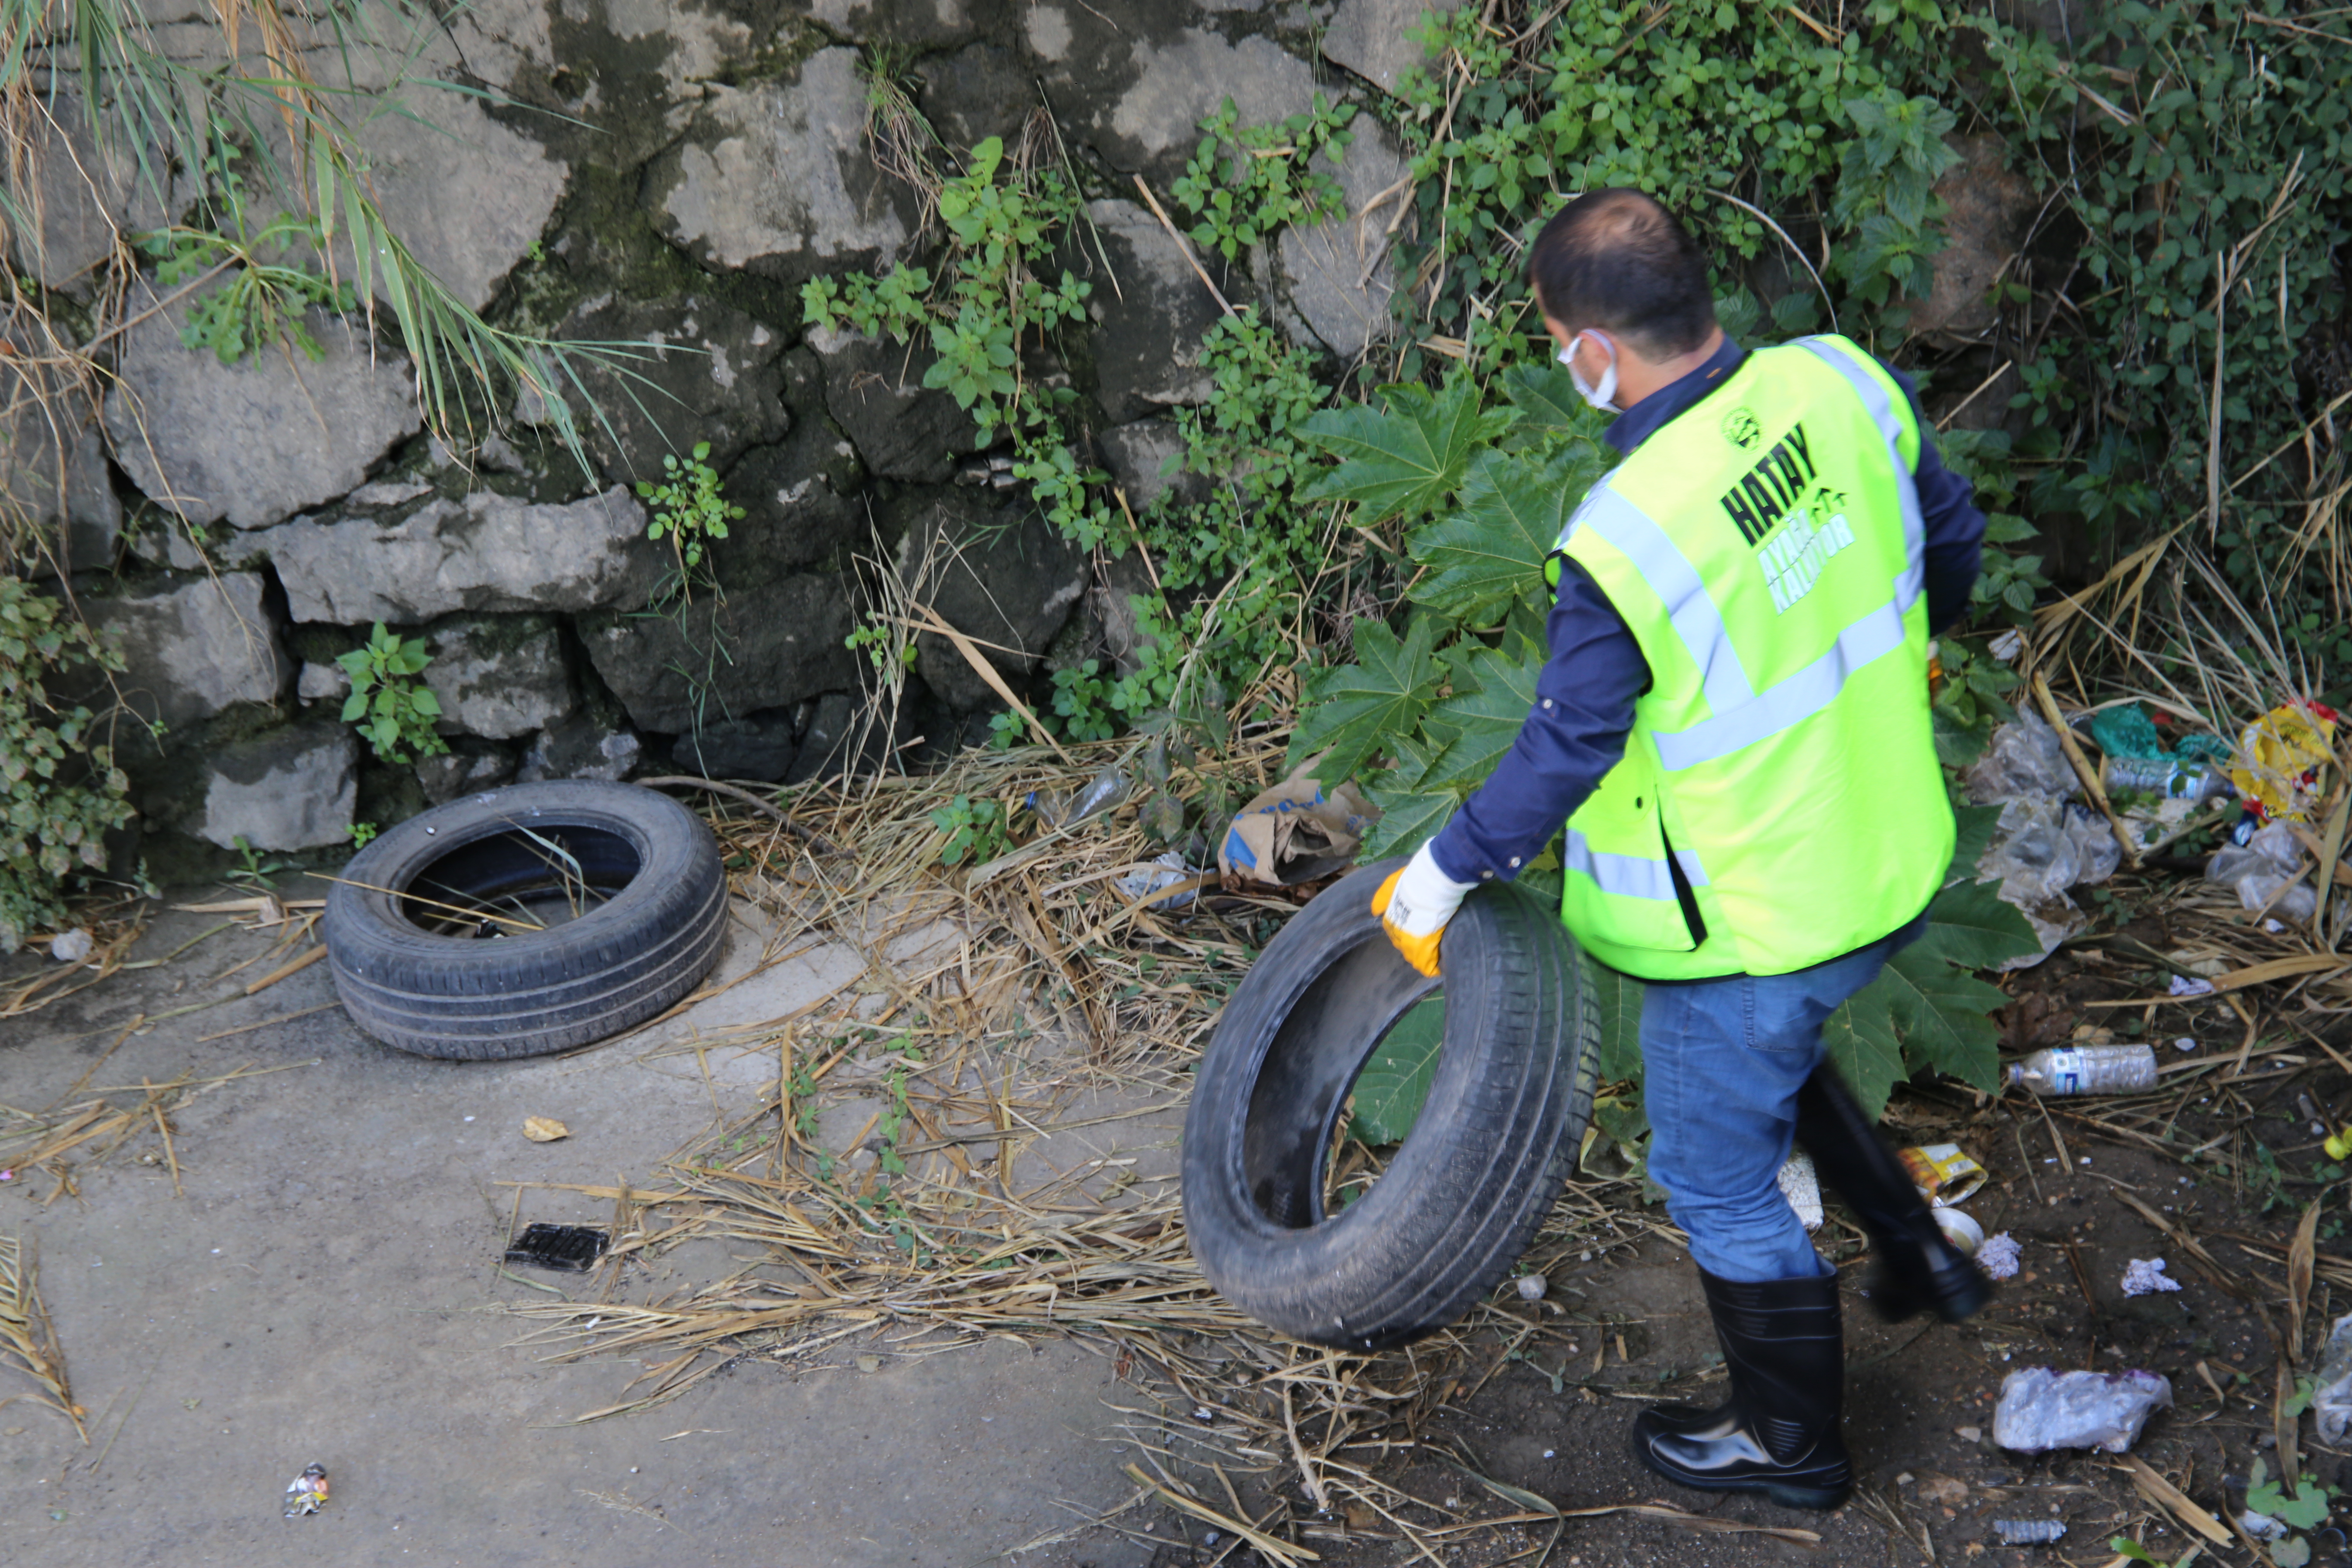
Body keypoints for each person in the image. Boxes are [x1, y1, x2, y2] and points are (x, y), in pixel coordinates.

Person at [1370, 188, 1994, 1511]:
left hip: (1751, 914)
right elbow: (1953, 535)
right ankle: (1918, 1253)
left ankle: (1792, 1450)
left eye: (1555, 338)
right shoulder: (1840, 382)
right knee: (1782, 1048)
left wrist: (1443, 869)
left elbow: (1566, 746)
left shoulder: (1627, 534)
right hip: (1884, 851)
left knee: (1716, 1175)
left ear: (1595, 348)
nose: (1561, 361)